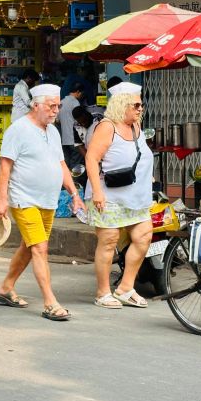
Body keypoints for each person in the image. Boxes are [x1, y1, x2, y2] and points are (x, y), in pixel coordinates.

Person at [0, 83, 86, 321]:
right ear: (36, 106)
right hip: (24, 198)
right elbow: (5, 166)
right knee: (40, 248)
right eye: (51, 106)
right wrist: (2, 199)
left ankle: (6, 288)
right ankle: (50, 302)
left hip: (48, 200)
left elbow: (61, 164)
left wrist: (75, 195)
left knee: (30, 245)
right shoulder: (18, 130)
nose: (56, 111)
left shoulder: (52, 132)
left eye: (58, 106)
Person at [84, 82, 154, 309]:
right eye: (136, 105)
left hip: (136, 195)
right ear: (121, 104)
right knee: (109, 241)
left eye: (141, 105)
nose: (140, 109)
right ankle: (103, 292)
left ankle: (125, 288)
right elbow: (92, 159)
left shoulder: (136, 127)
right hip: (108, 195)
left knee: (144, 236)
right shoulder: (107, 127)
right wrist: (96, 191)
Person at [57, 83, 84, 167]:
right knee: (76, 163)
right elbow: (80, 120)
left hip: (64, 139)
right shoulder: (75, 102)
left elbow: (57, 120)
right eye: (82, 93)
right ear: (78, 92)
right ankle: (74, 180)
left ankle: (67, 180)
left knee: (66, 163)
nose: (82, 96)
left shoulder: (61, 103)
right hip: (74, 139)